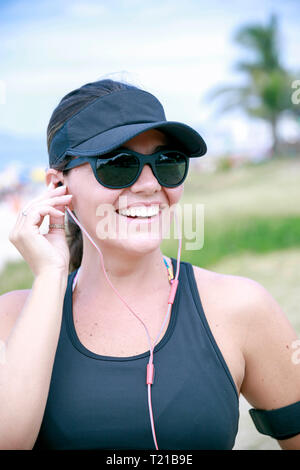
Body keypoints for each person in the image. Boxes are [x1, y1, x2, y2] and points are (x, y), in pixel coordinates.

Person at [0, 78, 300, 451]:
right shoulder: (12, 320)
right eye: (118, 164)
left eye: (167, 161)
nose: (147, 184)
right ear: (58, 187)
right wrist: (50, 276)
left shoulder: (240, 308)